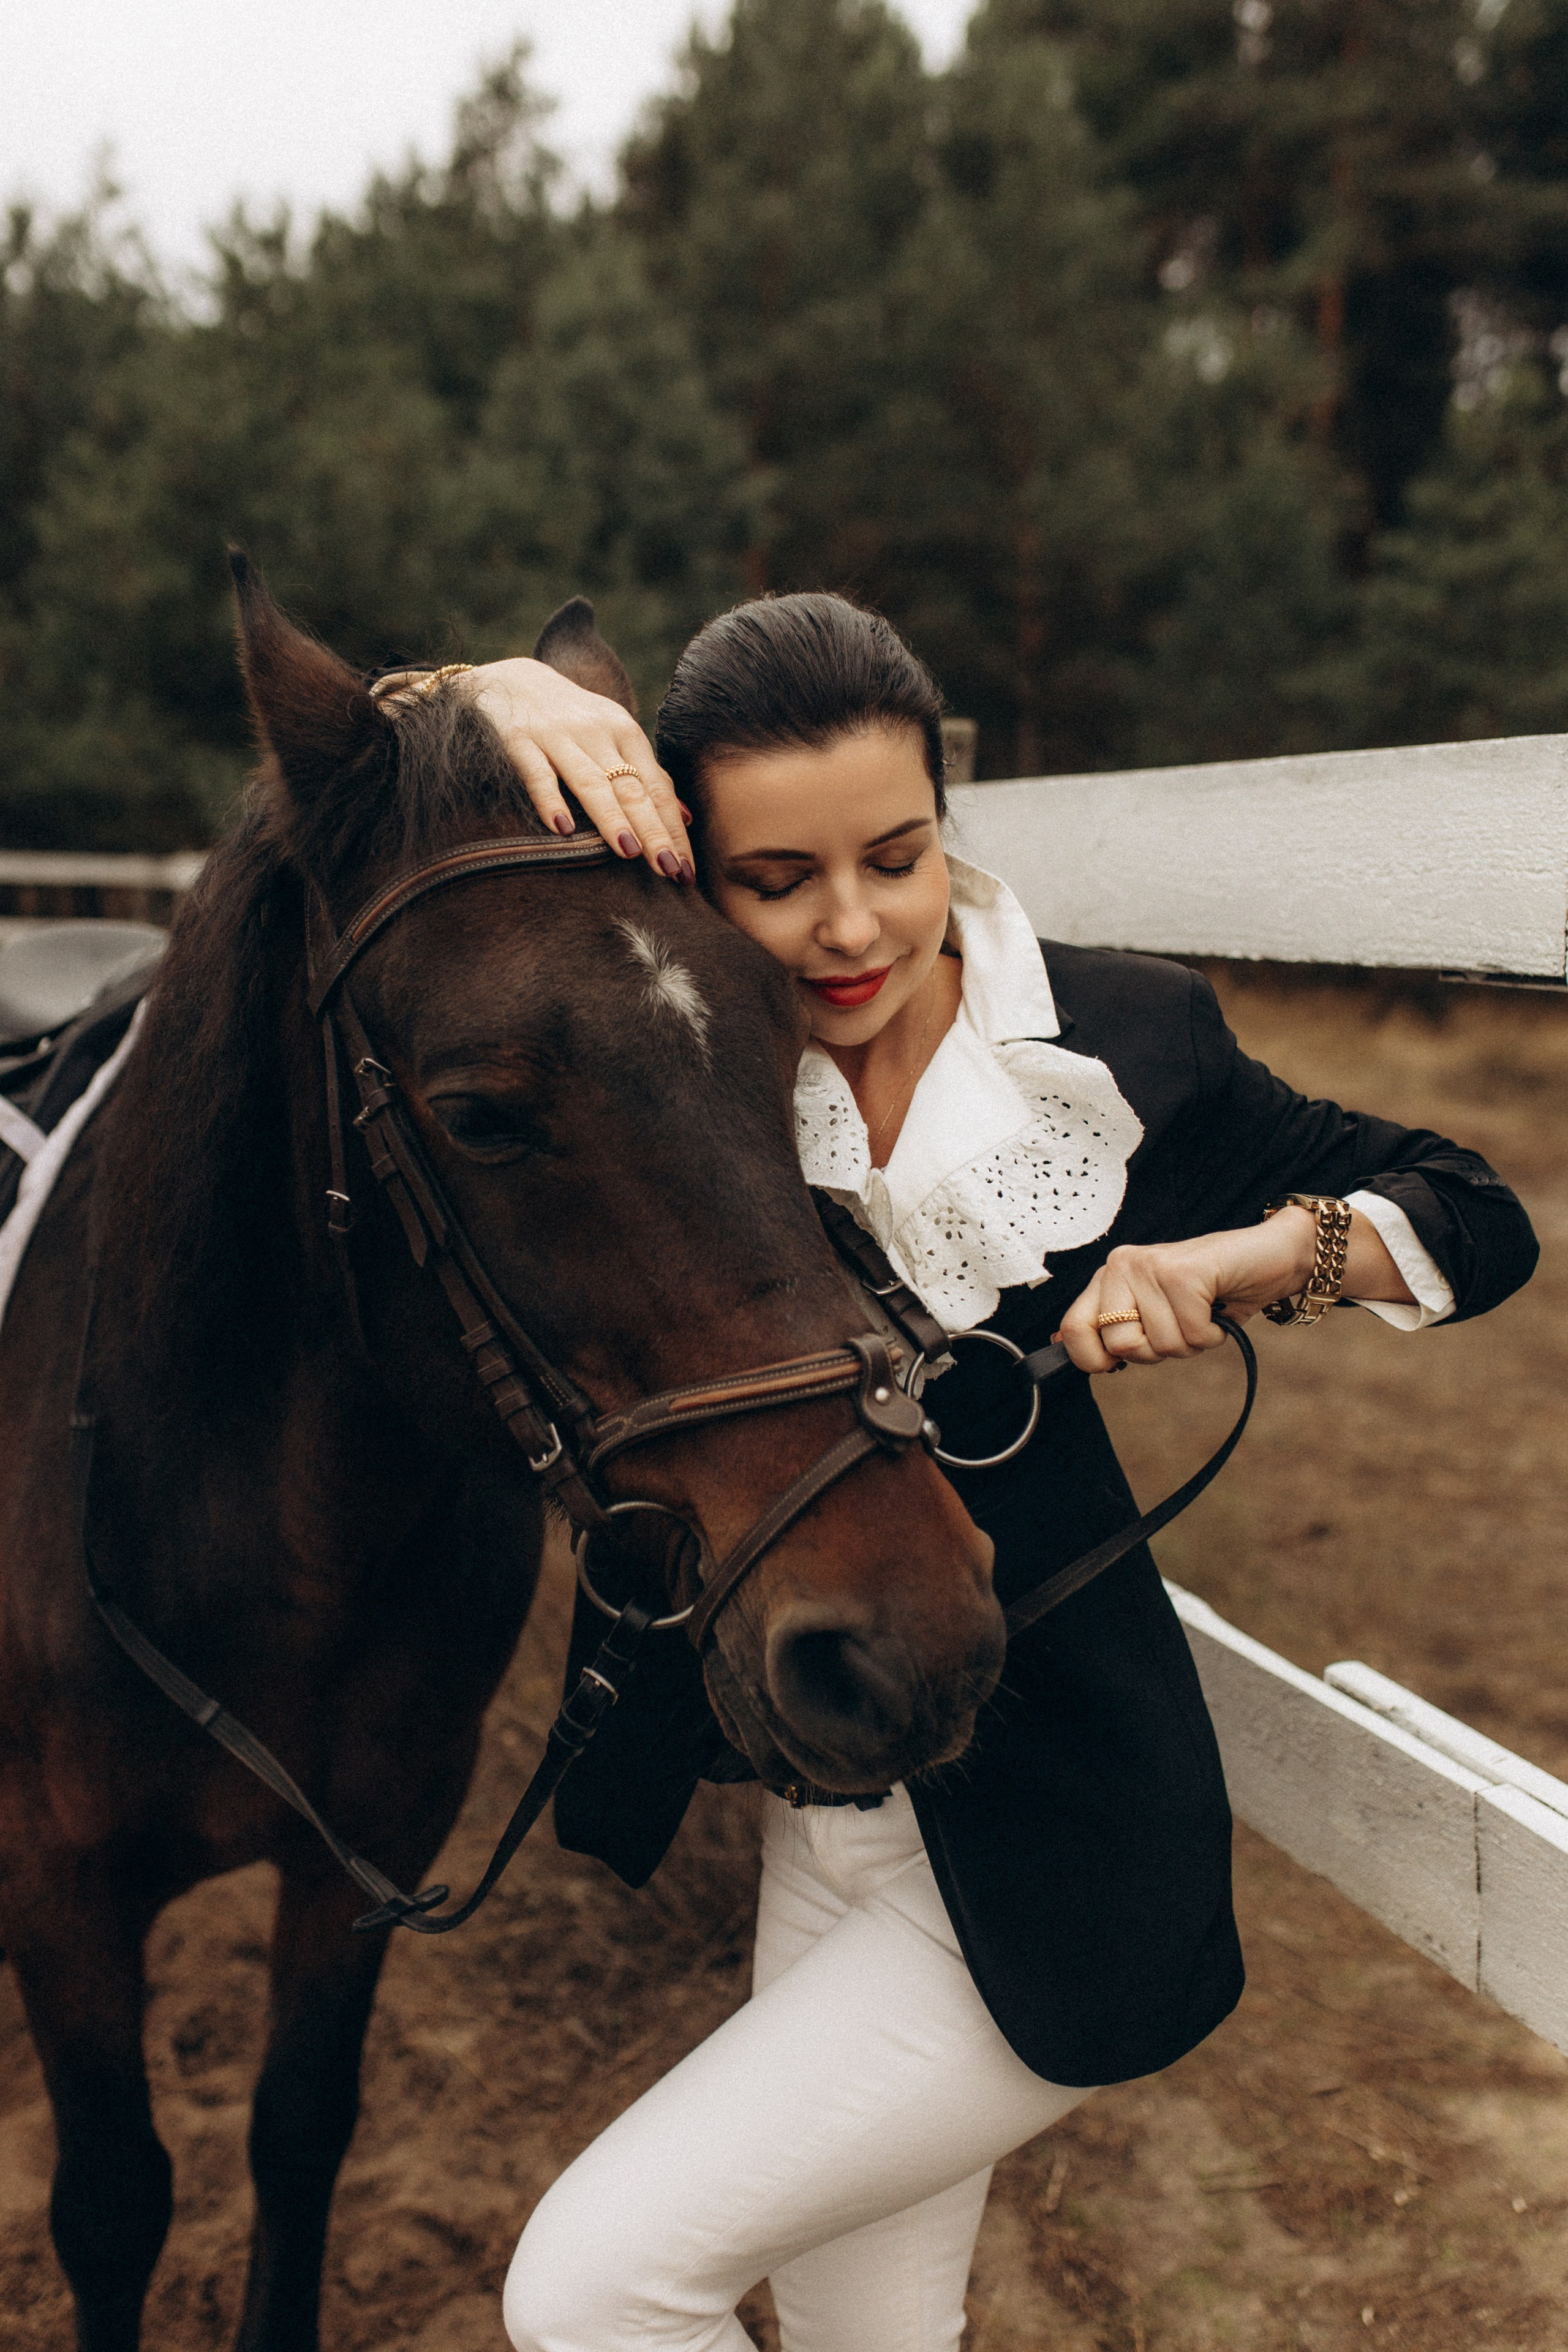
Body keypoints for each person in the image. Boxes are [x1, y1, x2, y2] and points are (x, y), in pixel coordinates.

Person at [418, 595, 1537, 2352]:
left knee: (598, 2286)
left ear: (949, 830)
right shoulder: (687, 1056)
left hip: (1063, 1832)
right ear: (691, 872)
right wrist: (485, 688)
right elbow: (397, 820)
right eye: (774, 879)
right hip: (827, 1815)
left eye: (897, 855)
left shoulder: (1118, 1043)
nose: (849, 926)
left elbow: (1478, 1210)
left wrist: (1233, 1264)